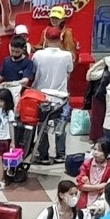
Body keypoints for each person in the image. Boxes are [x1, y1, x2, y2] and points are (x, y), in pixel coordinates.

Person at [31, 27, 73, 165]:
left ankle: (43, 155)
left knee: (42, 127)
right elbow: (69, 72)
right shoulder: (67, 56)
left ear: (46, 39)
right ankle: (60, 155)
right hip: (61, 97)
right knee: (60, 127)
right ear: (60, 38)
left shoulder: (38, 55)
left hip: (42, 96)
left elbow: (34, 72)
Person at [74, 139, 110, 209]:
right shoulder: (86, 164)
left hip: (102, 201)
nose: (95, 152)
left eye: (100, 150)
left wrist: (89, 186)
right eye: (94, 149)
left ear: (107, 153)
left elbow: (108, 189)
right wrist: (100, 186)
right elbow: (81, 186)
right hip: (85, 200)